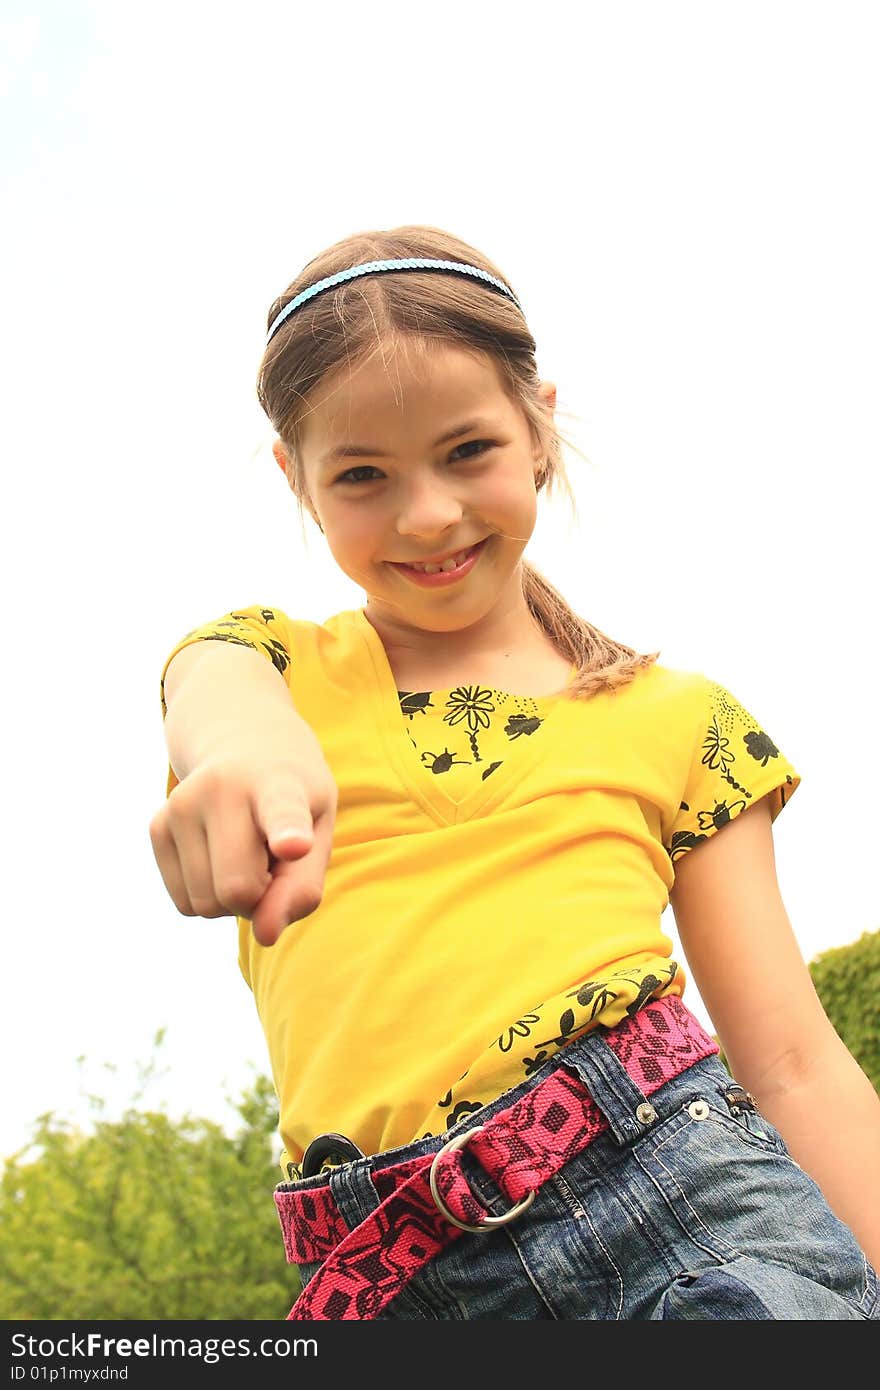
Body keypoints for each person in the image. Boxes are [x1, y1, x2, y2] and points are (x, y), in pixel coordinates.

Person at [150, 225, 880, 1322]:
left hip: (688, 1202)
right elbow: (215, 701)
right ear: (295, 480)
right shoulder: (266, 666)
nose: (428, 512)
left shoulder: (682, 720)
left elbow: (788, 1059)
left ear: (537, 427)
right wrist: (247, 752)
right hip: (386, 1275)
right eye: (360, 474)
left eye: (467, 451)